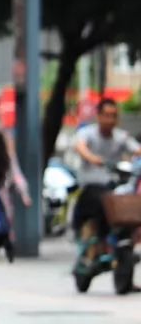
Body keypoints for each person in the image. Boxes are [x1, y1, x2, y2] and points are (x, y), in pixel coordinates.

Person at [73, 98, 141, 263]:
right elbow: (80, 146)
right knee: (102, 200)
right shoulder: (87, 133)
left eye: (114, 116)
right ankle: (100, 242)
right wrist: (92, 158)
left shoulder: (121, 137)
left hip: (114, 187)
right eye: (107, 115)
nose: (110, 120)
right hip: (91, 187)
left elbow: (136, 149)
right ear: (98, 116)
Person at [0, 129, 30, 262]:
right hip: (4, 197)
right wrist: (24, 194)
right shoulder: (7, 157)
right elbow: (17, 176)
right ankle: (7, 244)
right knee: (6, 223)